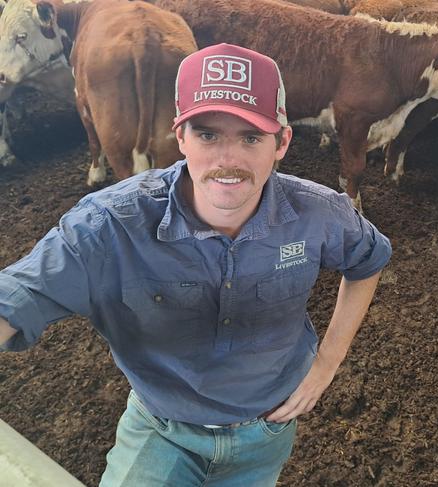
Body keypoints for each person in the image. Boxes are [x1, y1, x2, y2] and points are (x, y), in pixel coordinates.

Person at [0, 43, 392, 486]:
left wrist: (327, 363)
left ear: (281, 142)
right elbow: (24, 291)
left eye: (250, 137)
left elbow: (368, 260)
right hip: (162, 432)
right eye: (208, 134)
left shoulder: (319, 213)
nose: (229, 160)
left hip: (267, 432)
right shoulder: (111, 223)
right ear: (180, 136)